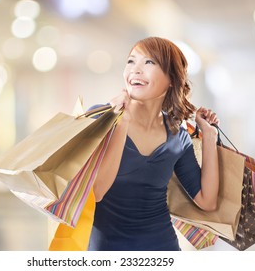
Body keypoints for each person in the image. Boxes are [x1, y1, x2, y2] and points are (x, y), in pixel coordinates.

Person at [87, 37, 220, 251]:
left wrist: (209, 135)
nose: (136, 70)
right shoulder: (100, 118)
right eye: (131, 61)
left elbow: (207, 201)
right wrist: (121, 123)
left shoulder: (178, 135)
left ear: (171, 79)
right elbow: (96, 192)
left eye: (149, 63)